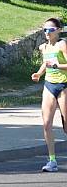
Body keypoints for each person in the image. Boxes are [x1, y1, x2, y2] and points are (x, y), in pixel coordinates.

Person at [31, 17, 67, 172]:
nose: (47, 32)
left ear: (58, 30)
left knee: (66, 126)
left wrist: (57, 65)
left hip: (63, 86)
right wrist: (39, 74)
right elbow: (46, 63)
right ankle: (52, 161)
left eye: (50, 30)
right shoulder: (43, 48)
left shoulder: (61, 45)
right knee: (46, 124)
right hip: (49, 86)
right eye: (44, 30)